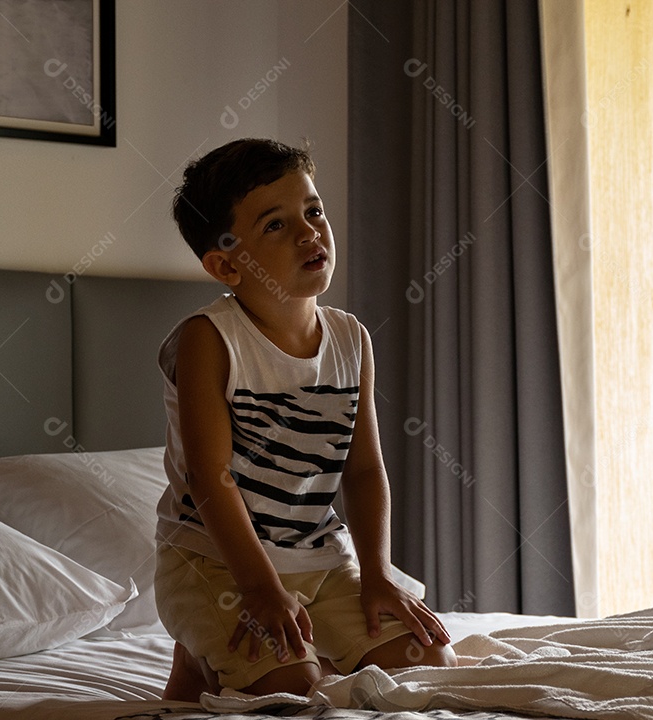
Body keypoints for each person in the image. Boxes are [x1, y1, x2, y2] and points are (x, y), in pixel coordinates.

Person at [154, 138, 456, 702]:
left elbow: (363, 471)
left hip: (317, 556)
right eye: (275, 225)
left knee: (427, 661)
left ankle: (285, 647)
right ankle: (197, 658)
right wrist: (260, 589)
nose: (308, 233)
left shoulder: (350, 339)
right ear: (224, 264)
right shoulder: (209, 340)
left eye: (313, 211)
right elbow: (209, 477)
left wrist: (377, 574)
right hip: (215, 563)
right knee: (290, 690)